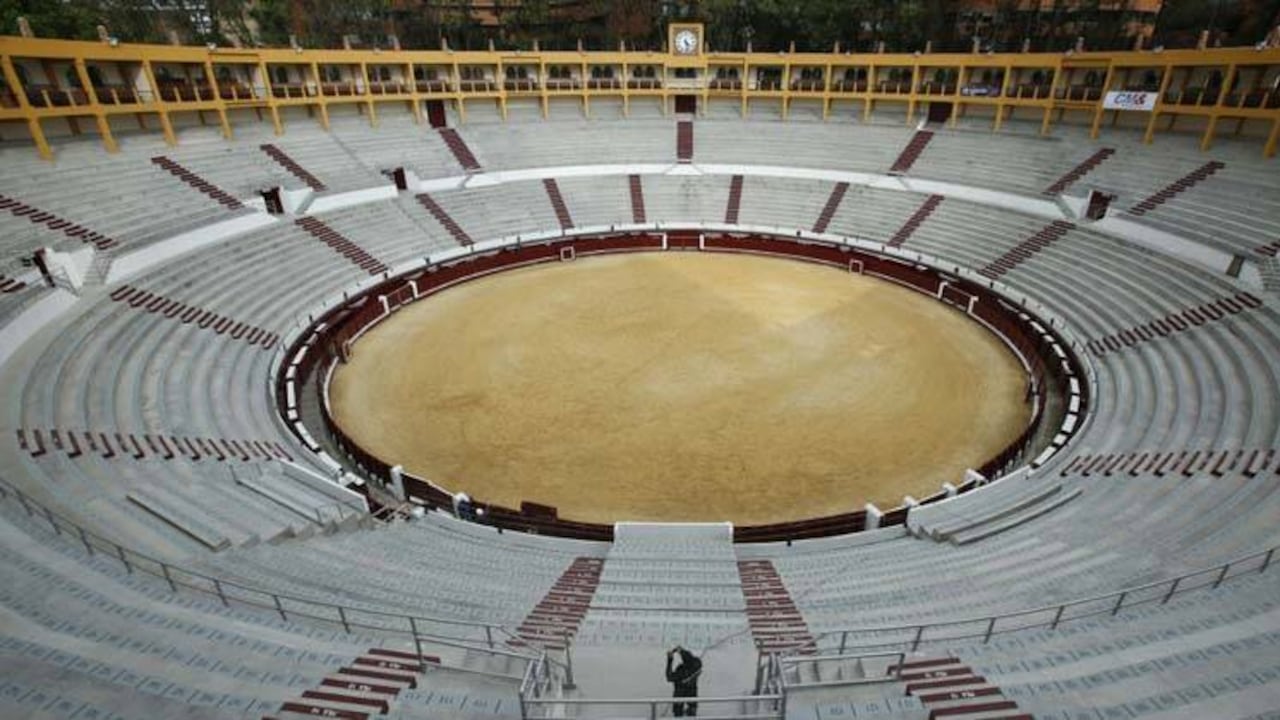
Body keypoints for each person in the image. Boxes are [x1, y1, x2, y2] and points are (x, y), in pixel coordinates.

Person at [665, 646, 702, 717]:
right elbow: (669, 677)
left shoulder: (695, 664)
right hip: (682, 696)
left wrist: (671, 659)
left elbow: (669, 677)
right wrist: (670, 660)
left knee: (690, 712)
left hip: (687, 695)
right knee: (679, 712)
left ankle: (689, 712)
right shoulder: (694, 665)